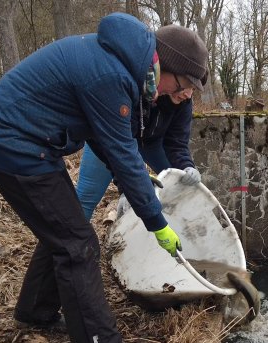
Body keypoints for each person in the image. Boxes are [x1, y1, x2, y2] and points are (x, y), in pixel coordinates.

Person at [0, 13, 199, 343]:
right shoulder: (112, 75)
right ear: (163, 65)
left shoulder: (124, 66)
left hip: (29, 143)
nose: (181, 94)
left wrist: (133, 183)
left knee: (64, 229)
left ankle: (34, 312)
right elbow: (123, 151)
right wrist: (157, 223)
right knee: (78, 245)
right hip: (13, 144)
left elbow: (105, 139)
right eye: (182, 83)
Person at [76, 24, 206, 221]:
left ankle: (181, 238)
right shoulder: (138, 84)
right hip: (113, 138)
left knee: (181, 185)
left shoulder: (184, 102)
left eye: (193, 90)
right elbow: (117, 144)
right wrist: (126, 189)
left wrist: (188, 167)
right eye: (186, 86)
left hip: (153, 143)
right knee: (86, 197)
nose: (188, 94)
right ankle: (67, 244)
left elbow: (177, 143)